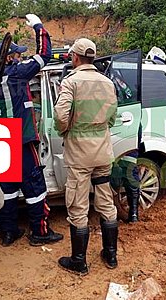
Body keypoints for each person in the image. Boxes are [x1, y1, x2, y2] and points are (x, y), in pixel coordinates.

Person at [0, 14, 63, 247]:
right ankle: (39, 231)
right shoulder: (17, 73)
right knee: (34, 187)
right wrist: (39, 26)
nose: (21, 56)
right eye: (17, 53)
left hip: (0, 144)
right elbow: (45, 55)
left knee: (8, 189)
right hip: (21, 139)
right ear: (9, 58)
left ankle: (9, 232)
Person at [55, 38, 118, 275]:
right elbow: (112, 115)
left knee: (78, 206)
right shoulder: (107, 82)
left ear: (75, 58)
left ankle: (79, 262)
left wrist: (66, 130)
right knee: (105, 201)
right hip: (103, 152)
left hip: (80, 155)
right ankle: (111, 255)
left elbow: (61, 116)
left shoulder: (71, 82)